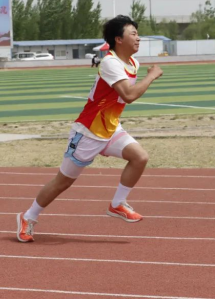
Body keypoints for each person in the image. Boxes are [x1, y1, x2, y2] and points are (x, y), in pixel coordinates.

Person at [16, 15, 163, 243]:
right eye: (133, 34)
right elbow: (129, 95)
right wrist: (152, 76)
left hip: (111, 128)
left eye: (137, 33)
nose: (138, 38)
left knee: (140, 157)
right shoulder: (110, 63)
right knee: (63, 182)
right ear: (118, 39)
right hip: (88, 131)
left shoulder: (133, 63)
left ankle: (117, 204)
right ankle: (28, 217)